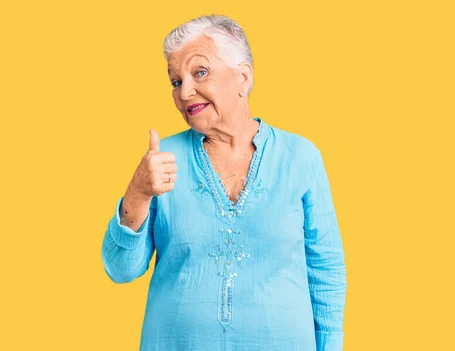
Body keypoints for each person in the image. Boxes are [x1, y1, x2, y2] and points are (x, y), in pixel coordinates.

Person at [101, 14, 347, 351]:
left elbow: (326, 268)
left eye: (199, 72)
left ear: (243, 77)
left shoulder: (300, 156)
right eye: (176, 81)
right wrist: (139, 192)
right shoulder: (162, 160)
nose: (185, 91)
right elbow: (120, 270)